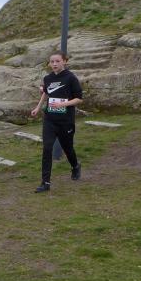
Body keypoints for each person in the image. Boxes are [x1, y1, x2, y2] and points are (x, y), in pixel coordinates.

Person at [31, 50, 83, 192]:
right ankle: (45, 183)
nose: (54, 64)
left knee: (68, 148)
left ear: (64, 61)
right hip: (50, 119)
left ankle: (75, 166)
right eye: (52, 62)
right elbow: (46, 93)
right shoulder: (48, 78)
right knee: (47, 148)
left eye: (57, 61)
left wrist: (63, 104)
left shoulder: (71, 78)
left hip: (65, 121)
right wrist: (38, 107)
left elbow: (79, 98)